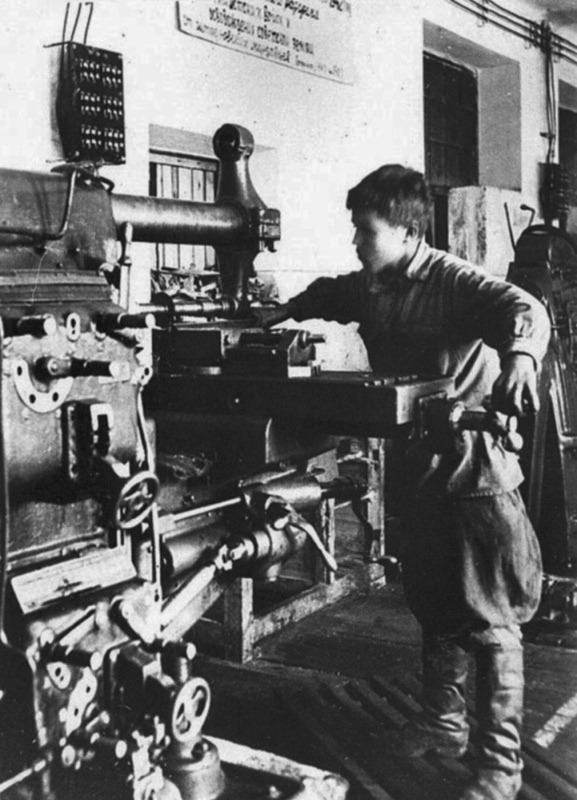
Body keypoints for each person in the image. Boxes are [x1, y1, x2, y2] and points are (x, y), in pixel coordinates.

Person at [254, 164, 551, 800]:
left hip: (476, 473)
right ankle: (443, 725)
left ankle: (500, 769)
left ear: (409, 231)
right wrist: (276, 312)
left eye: (366, 231)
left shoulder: (452, 280)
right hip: (419, 474)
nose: (357, 242)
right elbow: (329, 294)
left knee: (492, 620)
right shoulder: (371, 284)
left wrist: (521, 356)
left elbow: (520, 306)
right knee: (436, 608)